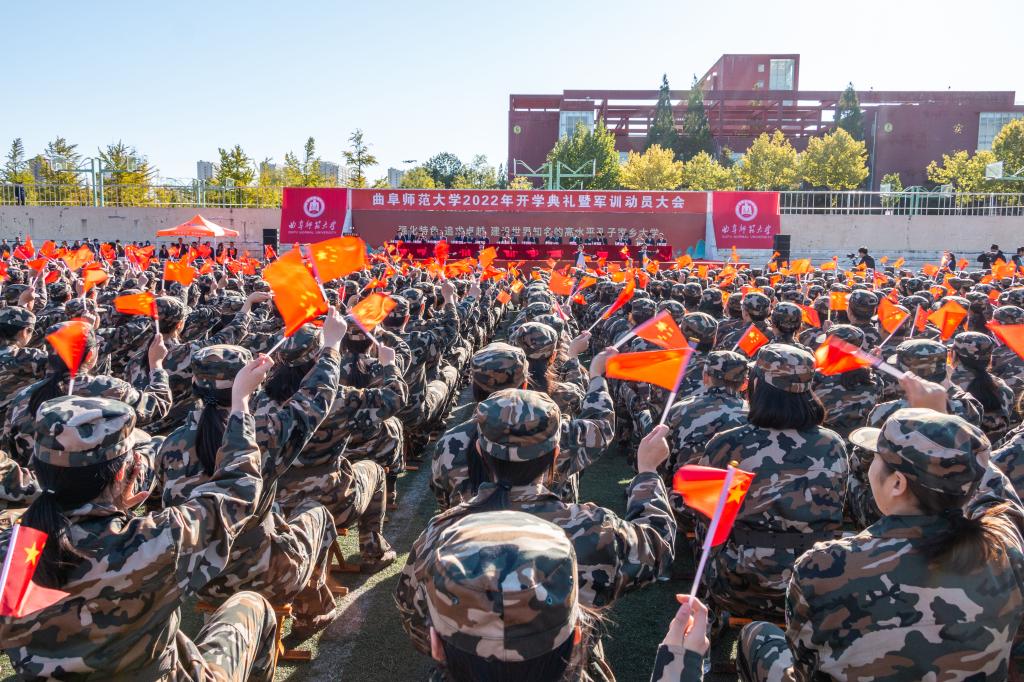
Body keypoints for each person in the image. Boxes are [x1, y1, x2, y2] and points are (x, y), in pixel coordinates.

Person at [0, 362, 280, 680]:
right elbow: (235, 492)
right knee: (251, 606)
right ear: (123, 473)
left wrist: (115, 511)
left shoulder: (11, 551)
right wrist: (240, 403)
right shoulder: (156, 540)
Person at [739, 408, 1024, 681]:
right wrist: (950, 437)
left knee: (757, 636)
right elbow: (995, 492)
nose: (869, 466)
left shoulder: (824, 567)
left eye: (875, 457)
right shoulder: (1004, 548)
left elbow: (806, 668)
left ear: (898, 483)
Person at [696, 344, 848, 621]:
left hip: (740, 585)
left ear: (755, 385)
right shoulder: (833, 444)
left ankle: (709, 621)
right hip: (814, 583)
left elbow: (708, 517)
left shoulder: (728, 444)